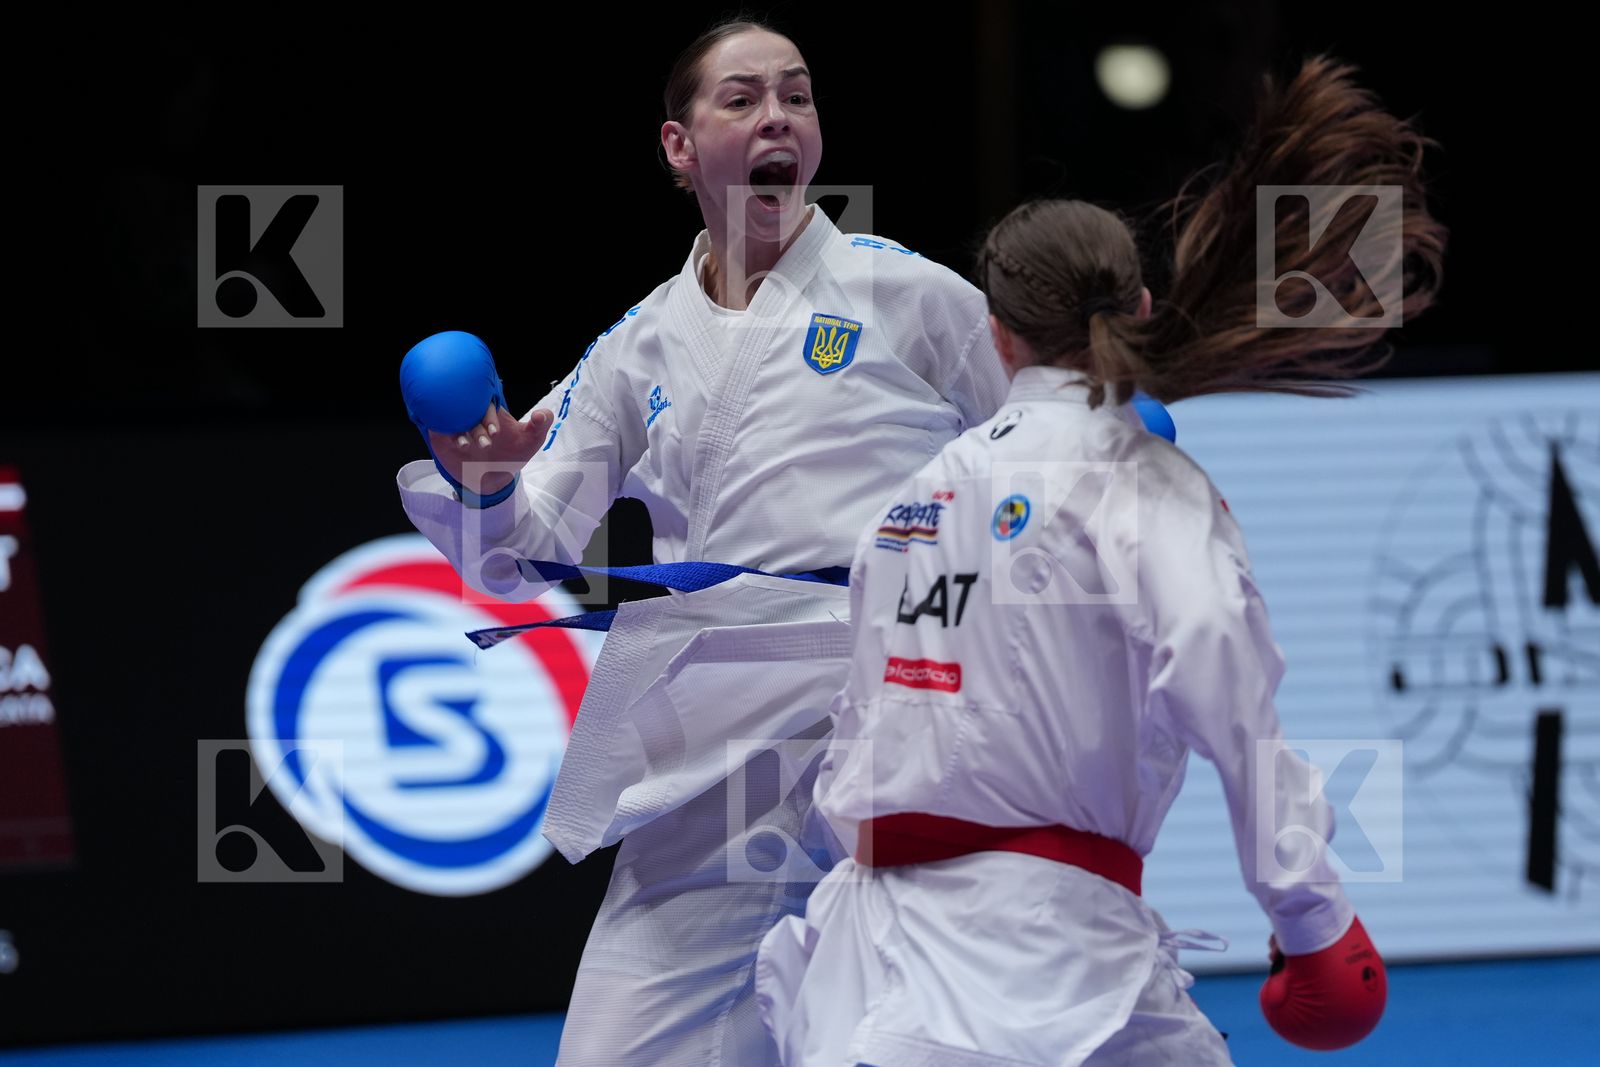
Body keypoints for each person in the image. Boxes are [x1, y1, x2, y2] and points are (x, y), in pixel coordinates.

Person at [755, 55, 1447, 1066]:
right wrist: (1310, 917)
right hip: (1044, 959)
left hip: (875, 954)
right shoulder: (1144, 482)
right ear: (1138, 308)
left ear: (995, 337)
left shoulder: (907, 500)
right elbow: (1224, 682)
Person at [394, 17, 1009, 1065]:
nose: (778, 115)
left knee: (945, 1029)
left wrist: (1097, 443)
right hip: (718, 721)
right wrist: (481, 480)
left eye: (798, 95)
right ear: (678, 148)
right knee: (617, 1046)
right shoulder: (635, 345)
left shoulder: (911, 295)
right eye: (742, 98)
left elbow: (1037, 445)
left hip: (892, 701)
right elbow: (513, 555)